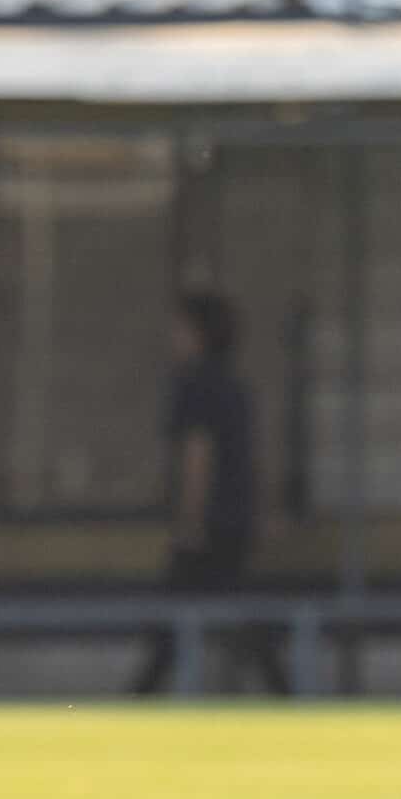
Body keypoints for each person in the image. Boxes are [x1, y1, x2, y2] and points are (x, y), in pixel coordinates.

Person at [128, 291, 286, 695]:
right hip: (236, 519)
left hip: (211, 522)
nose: (173, 337)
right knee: (230, 604)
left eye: (180, 328)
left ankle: (140, 698)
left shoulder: (194, 385)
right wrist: (263, 513)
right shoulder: (237, 387)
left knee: (180, 613)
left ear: (199, 333)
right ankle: (283, 689)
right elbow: (255, 459)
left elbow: (199, 454)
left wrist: (190, 519)